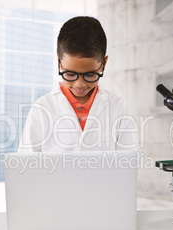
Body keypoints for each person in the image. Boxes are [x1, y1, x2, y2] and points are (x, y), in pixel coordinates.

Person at [18, 16, 137, 152]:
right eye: (70, 74)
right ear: (59, 62)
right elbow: (25, 165)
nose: (79, 84)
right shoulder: (42, 108)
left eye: (90, 75)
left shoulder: (117, 107)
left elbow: (129, 164)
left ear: (103, 64)